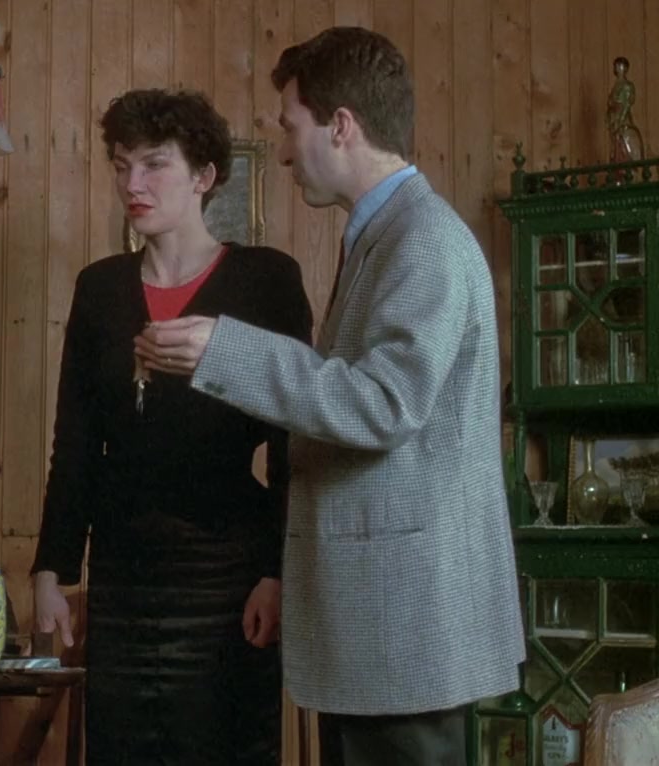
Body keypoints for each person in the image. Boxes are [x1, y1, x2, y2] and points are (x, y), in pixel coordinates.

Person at [136, 27, 525, 765]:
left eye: (291, 127)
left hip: (405, 632)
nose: (284, 152)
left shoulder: (423, 240)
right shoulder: (386, 235)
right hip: (379, 632)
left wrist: (225, 349)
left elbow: (384, 404)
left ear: (340, 125)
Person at [31, 88, 314, 764]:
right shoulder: (100, 288)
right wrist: (51, 568)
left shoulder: (266, 279)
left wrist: (278, 572)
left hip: (230, 571)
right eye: (121, 164)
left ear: (204, 176)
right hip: (122, 574)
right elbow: (76, 443)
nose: (133, 183)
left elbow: (291, 445)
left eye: (154, 164)